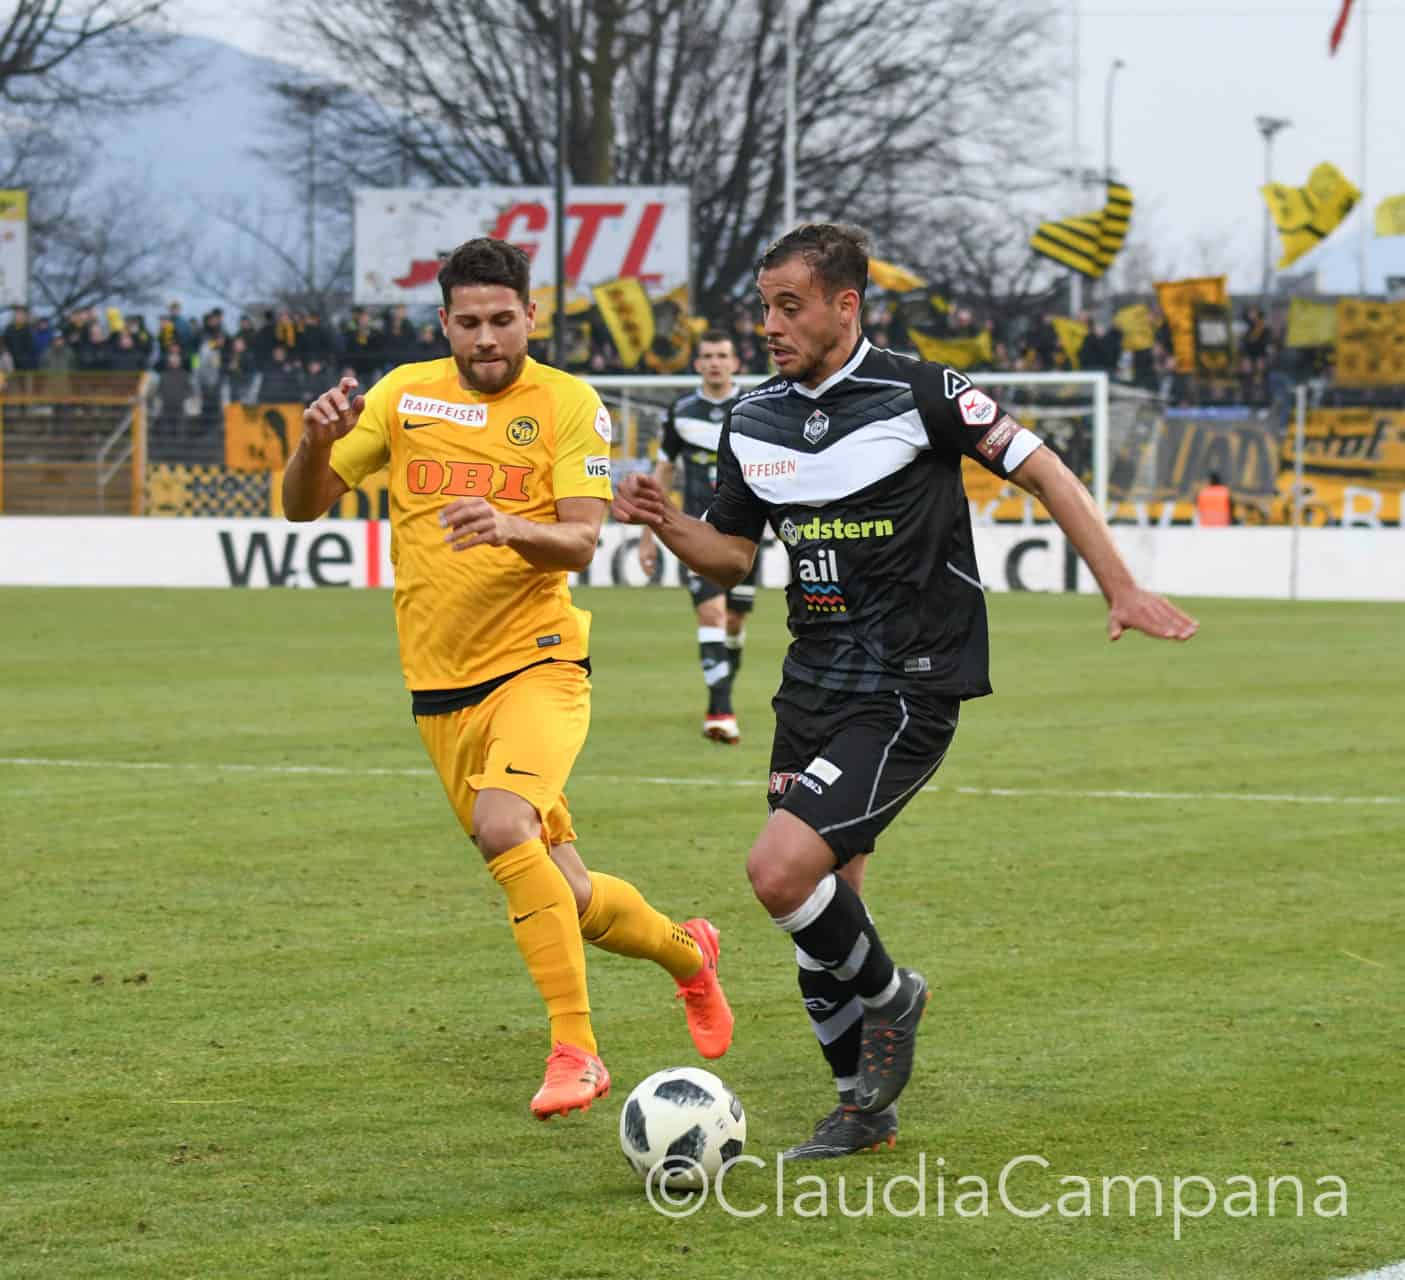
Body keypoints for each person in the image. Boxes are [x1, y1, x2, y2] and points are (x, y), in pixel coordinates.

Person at [613, 223, 1198, 1161]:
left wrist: (1120, 586)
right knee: (820, 908)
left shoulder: (923, 392)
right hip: (810, 680)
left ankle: (894, 997)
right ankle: (861, 1109)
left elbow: (1044, 470)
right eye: (764, 307)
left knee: (778, 872)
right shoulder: (751, 417)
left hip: (908, 680)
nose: (769, 325)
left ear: (845, 305)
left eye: (789, 306)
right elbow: (728, 555)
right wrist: (665, 521)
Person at [283, 238, 733, 1121]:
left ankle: (576, 1050)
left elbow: (580, 539)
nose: (485, 337)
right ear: (443, 323)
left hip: (539, 663)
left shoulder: (568, 402)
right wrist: (313, 442)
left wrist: (508, 526)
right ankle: (689, 955)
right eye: (468, 322)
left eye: (501, 319)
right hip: (438, 688)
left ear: (531, 315)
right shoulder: (402, 395)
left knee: (502, 827)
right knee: (568, 893)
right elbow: (303, 506)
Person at [638, 330, 756, 743]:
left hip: (745, 532)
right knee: (712, 614)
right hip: (697, 531)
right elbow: (665, 471)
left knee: (734, 621)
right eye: (707, 356)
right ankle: (721, 711)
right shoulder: (681, 411)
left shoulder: (754, 407)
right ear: (697, 364)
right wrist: (650, 533)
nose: (715, 363)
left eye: (722, 355)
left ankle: (721, 693)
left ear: (735, 363)